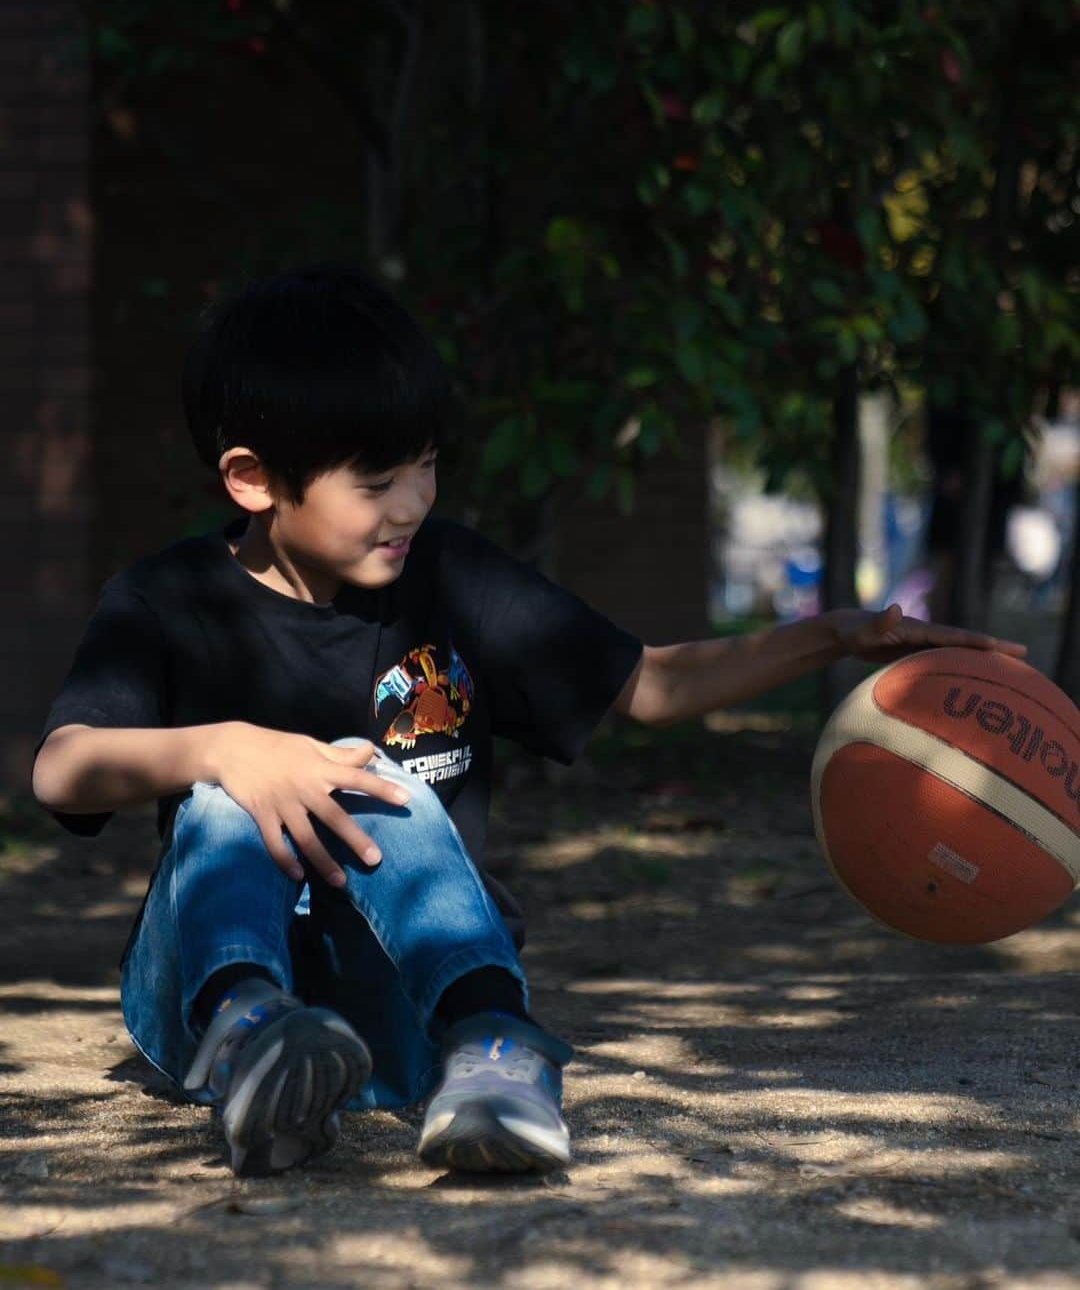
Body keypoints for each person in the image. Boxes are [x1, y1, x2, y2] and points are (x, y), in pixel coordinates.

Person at [30, 262, 1027, 1180]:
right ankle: (256, 1044)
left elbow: (649, 683)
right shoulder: (167, 599)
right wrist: (225, 748)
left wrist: (836, 640)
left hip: (401, 1013)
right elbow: (62, 769)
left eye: (425, 465)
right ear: (251, 479)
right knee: (232, 792)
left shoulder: (450, 575)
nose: (412, 501)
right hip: (202, 1003)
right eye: (376, 483)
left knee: (381, 784)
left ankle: (491, 1052)